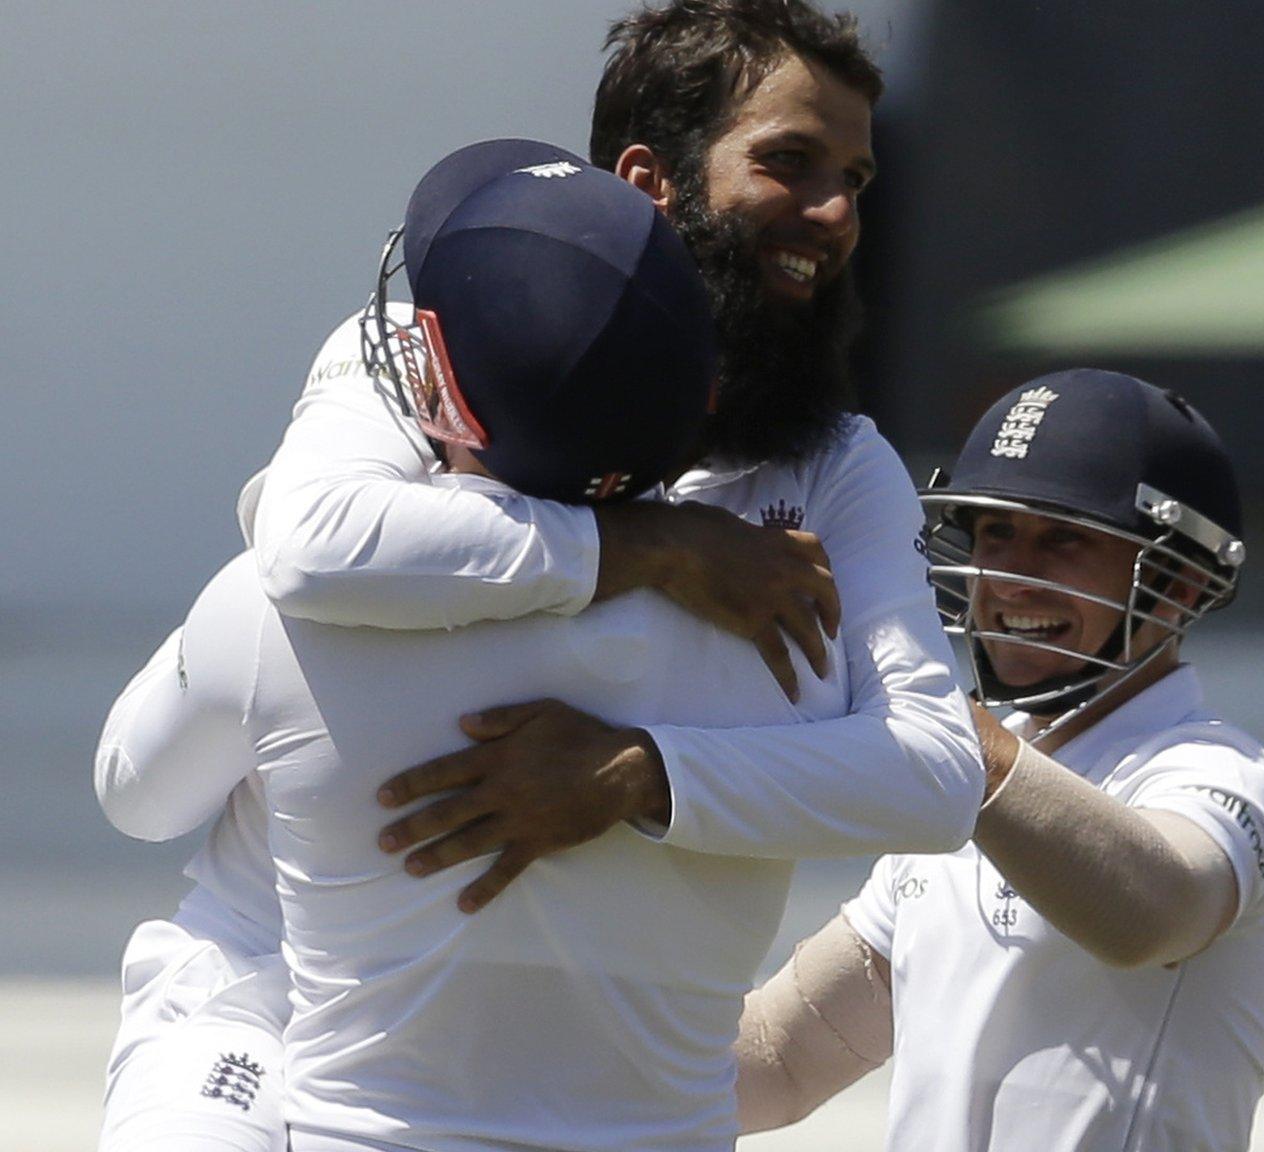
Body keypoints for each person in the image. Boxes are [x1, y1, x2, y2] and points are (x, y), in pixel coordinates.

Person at [98, 4, 980, 1148]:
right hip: (271, 1004)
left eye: (855, 178)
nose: (836, 213)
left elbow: (931, 776)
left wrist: (635, 776)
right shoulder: (440, 346)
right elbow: (311, 547)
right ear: (647, 179)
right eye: (789, 162)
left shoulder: (836, 461)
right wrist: (649, 550)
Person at [730, 369, 1264, 1151]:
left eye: (1062, 540)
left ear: (1177, 581)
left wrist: (937, 716)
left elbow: (1151, 913)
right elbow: (778, 1063)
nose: (1006, 578)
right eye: (995, 534)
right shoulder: (967, 773)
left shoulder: (1220, 772)